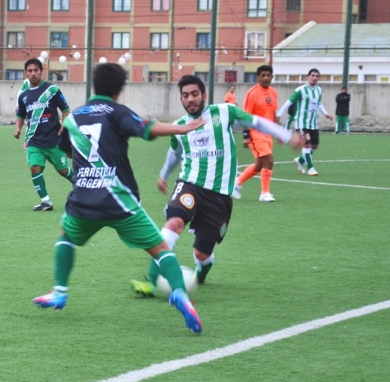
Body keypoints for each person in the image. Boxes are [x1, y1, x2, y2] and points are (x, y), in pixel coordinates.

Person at [32, 63, 205, 334]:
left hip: (83, 201)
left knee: (65, 237)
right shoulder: (118, 112)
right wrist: (181, 128)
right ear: (120, 89)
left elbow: (65, 147)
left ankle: (59, 292)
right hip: (119, 200)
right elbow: (146, 129)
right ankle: (180, 295)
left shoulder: (74, 117)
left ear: (93, 85)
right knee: (160, 250)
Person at [129, 75, 302, 295]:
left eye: (194, 94)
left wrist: (287, 136)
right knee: (173, 224)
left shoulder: (224, 112)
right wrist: (164, 175)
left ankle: (203, 269)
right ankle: (151, 282)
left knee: (201, 254)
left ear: (203, 95)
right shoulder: (179, 126)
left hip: (219, 195)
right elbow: (174, 153)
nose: (190, 99)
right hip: (189, 184)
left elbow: (257, 122)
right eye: (185, 95)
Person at [14, 58, 74, 211]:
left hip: (53, 139)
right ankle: (46, 202)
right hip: (33, 140)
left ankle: (83, 187)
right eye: (30, 71)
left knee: (63, 171)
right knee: (35, 167)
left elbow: (65, 109)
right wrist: (18, 129)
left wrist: (64, 126)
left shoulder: (51, 90)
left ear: (41, 71)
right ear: (26, 73)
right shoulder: (24, 96)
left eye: (36, 70)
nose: (33, 73)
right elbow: (21, 115)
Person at [232, 65, 279, 202]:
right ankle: (264, 193)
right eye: (262, 75)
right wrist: (246, 136)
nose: (265, 78)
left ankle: (237, 183)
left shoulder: (273, 92)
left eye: (268, 75)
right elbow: (245, 117)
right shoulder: (252, 93)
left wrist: (278, 132)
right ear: (258, 77)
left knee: (259, 165)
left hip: (268, 134)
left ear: (272, 77)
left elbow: (273, 114)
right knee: (269, 160)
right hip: (255, 133)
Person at [277, 68, 333, 176]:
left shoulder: (318, 90)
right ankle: (311, 168)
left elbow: (319, 103)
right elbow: (288, 103)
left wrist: (325, 113)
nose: (314, 78)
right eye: (312, 75)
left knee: (314, 146)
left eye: (317, 76)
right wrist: (279, 115)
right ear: (308, 77)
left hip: (313, 123)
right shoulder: (300, 90)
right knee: (306, 144)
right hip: (302, 122)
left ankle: (301, 160)